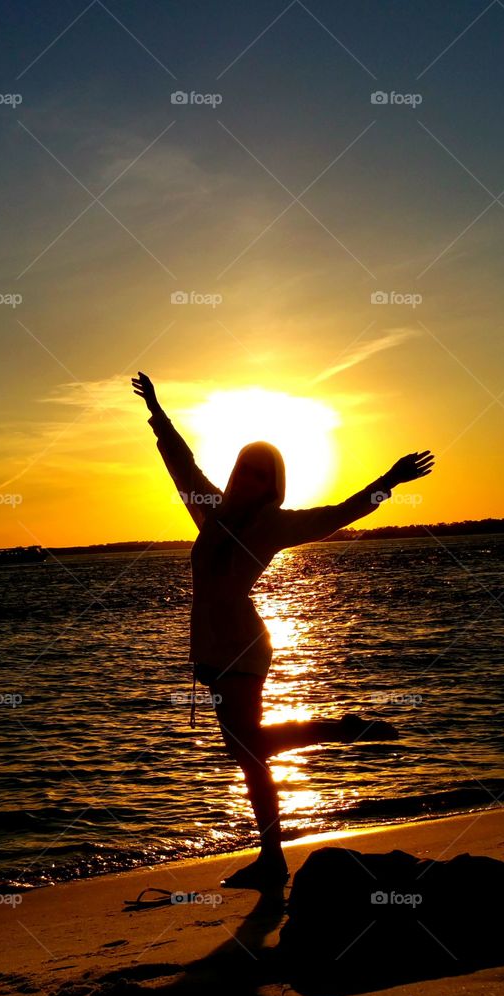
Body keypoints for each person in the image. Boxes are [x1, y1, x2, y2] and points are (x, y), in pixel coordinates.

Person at [132, 372, 435, 894]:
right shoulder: (210, 511)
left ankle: (338, 735)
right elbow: (181, 462)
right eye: (243, 468)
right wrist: (158, 412)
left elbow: (338, 514)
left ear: (271, 483)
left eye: (258, 473)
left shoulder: (272, 525)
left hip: (242, 648)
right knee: (248, 755)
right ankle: (272, 859)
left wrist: (390, 478)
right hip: (212, 649)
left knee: (247, 748)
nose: (247, 478)